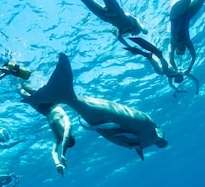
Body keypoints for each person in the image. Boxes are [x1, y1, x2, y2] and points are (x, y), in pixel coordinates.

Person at [23, 54, 168, 160]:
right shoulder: (152, 135)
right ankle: (54, 93)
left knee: (72, 100)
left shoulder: (145, 143)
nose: (162, 142)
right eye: (162, 140)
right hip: (114, 122)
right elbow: (154, 130)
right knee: (71, 100)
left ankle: (48, 92)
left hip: (109, 124)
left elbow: (133, 140)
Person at [20, 84, 75, 177]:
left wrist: (57, 164)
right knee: (29, 89)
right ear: (71, 136)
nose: (66, 139)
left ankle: (14, 84)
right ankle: (21, 79)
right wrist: (63, 154)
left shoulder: (58, 137)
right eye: (69, 139)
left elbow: (53, 151)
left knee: (24, 95)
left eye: (65, 142)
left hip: (44, 111)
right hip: (51, 102)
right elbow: (66, 137)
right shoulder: (68, 126)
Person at [123, 37, 199, 96]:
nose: (176, 79)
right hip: (166, 62)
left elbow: (171, 84)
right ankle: (159, 55)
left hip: (163, 66)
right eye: (178, 79)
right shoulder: (182, 72)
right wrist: (197, 89)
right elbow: (195, 80)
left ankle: (149, 57)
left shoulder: (170, 77)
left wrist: (177, 89)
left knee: (161, 73)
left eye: (176, 80)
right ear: (180, 77)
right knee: (166, 71)